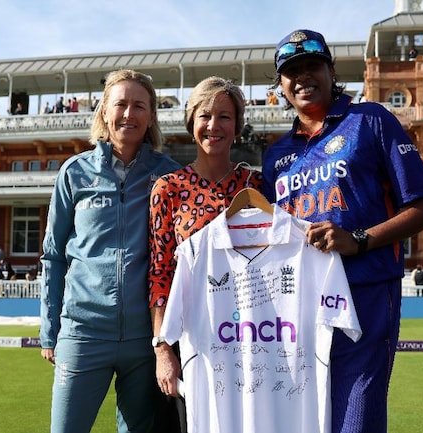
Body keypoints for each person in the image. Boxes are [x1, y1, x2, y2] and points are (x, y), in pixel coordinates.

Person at [261, 29, 423, 433]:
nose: (303, 77)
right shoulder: (275, 156)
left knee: (355, 421)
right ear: (280, 87)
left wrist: (358, 240)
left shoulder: (371, 120)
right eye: (291, 71)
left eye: (312, 66)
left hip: (366, 292)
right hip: (297, 304)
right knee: (302, 419)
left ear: (331, 70)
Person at [40, 69, 180, 433]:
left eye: (139, 106)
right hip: (83, 333)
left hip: (144, 340)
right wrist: (50, 328)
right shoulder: (74, 172)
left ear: (151, 117)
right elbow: (53, 256)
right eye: (121, 104)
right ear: (104, 110)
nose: (129, 114)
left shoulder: (169, 177)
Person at [148, 76, 263, 430]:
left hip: (253, 337)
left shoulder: (255, 186)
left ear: (238, 125)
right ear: (191, 122)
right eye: (205, 116)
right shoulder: (168, 189)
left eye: (225, 117)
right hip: (193, 341)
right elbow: (160, 273)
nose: (214, 126)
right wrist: (163, 349)